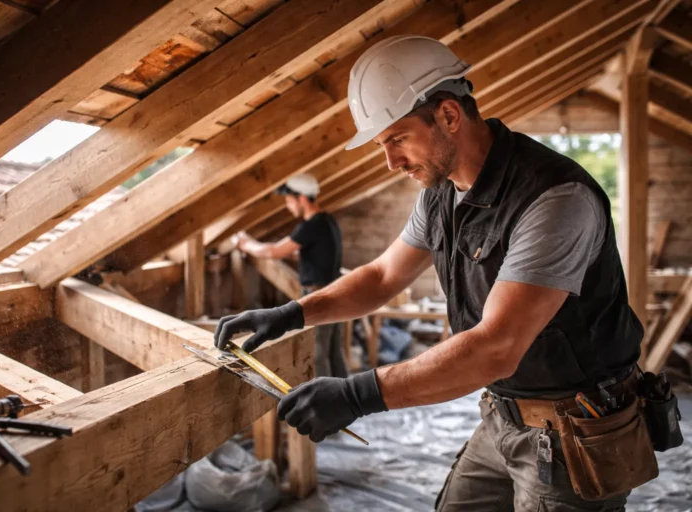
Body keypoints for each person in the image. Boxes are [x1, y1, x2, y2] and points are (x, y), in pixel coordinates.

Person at [215, 35, 652, 510]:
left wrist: (358, 394)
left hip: (575, 432)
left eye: (398, 139)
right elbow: (383, 276)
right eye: (383, 145)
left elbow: (495, 348)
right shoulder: (439, 194)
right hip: (504, 417)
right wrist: (292, 313)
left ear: (448, 115)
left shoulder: (554, 199)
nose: (391, 162)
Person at [231, 173, 347, 378]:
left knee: (317, 353)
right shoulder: (327, 221)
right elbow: (311, 252)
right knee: (333, 352)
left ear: (302, 198)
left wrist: (244, 243)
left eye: (289, 201)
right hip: (334, 292)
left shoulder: (310, 226)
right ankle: (345, 404)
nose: (288, 206)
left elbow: (273, 252)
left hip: (318, 296)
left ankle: (327, 406)